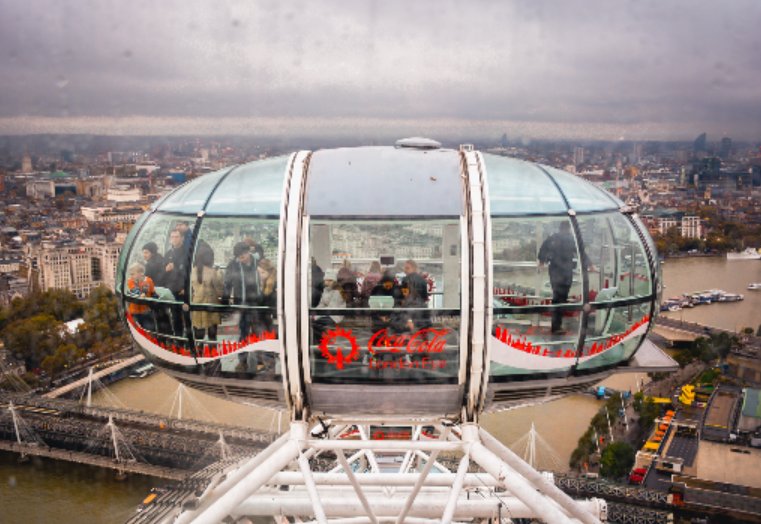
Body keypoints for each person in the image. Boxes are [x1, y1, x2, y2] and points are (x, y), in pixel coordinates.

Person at [538, 221, 577, 334]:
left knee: (557, 297)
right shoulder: (570, 239)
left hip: (554, 271)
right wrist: (590, 265)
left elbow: (543, 249)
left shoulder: (552, 238)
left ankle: (556, 326)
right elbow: (581, 252)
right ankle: (556, 327)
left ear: (560, 228)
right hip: (566, 272)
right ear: (568, 229)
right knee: (562, 298)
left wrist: (542, 261)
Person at [223, 242, 261, 341]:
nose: (241, 259)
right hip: (241, 303)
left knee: (258, 331)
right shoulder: (233, 265)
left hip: (257, 303)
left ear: (248, 252)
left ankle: (257, 353)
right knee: (244, 330)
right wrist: (225, 303)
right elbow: (227, 284)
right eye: (239, 257)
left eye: (243, 256)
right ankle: (243, 354)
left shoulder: (259, 262)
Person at [190, 245, 223, 342]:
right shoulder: (212, 272)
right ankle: (212, 355)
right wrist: (220, 275)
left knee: (198, 335)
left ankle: (199, 354)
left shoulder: (192, 271)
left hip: (196, 304)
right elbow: (219, 291)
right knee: (212, 336)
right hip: (210, 305)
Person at [164, 228, 189, 336]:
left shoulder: (188, 252)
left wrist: (186, 287)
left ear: (182, 238)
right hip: (172, 289)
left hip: (183, 290)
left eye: (177, 237)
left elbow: (190, 271)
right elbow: (163, 272)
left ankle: (189, 338)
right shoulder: (169, 253)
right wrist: (166, 269)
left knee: (187, 316)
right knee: (175, 316)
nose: (174, 239)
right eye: (172, 237)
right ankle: (179, 340)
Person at [313, 269, 346, 342]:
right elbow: (321, 304)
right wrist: (314, 312)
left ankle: (322, 342)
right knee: (314, 323)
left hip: (335, 315)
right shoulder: (325, 290)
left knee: (316, 324)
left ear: (334, 281)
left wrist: (317, 316)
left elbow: (332, 308)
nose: (327, 282)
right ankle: (321, 341)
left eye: (330, 280)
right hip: (327, 313)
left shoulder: (338, 291)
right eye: (326, 280)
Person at [126, 263, 155, 331]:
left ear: (140, 273)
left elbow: (152, 292)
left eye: (133, 274)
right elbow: (135, 290)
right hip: (134, 311)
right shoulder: (131, 281)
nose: (131, 276)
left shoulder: (148, 280)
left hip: (146, 311)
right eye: (130, 274)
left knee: (148, 330)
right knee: (137, 330)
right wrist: (141, 294)